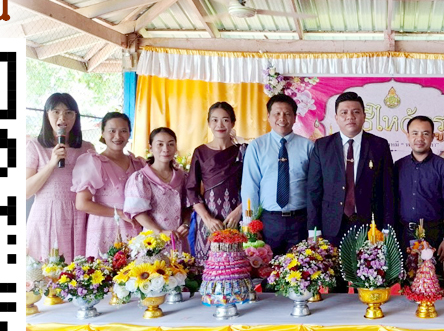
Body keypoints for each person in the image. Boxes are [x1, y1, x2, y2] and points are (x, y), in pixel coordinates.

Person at [305, 91, 396, 291]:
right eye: (344, 112)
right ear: (336, 117)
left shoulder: (379, 145)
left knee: (368, 281)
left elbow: (388, 190)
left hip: (369, 226)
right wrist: (314, 230)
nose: (350, 117)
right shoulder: (322, 146)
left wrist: (387, 228)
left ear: (364, 116)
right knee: (334, 282)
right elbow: (313, 191)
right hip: (332, 226)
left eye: (355, 112)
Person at [25, 93, 95, 260]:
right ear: (47, 115)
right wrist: (51, 163)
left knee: (77, 270)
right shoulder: (34, 146)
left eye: (68, 112)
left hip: (79, 216)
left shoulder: (87, 148)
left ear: (76, 117)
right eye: (56, 112)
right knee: (47, 270)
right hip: (46, 216)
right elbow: (25, 192)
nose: (62, 117)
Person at [241, 94, 314, 255]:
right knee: (267, 267)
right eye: (277, 113)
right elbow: (250, 187)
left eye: (287, 113)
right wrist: (250, 225)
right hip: (269, 222)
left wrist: (313, 227)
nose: (282, 118)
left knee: (300, 268)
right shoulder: (257, 146)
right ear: (268, 116)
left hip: (300, 221)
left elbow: (314, 187)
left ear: (295, 117)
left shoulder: (308, 146)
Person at [394, 116, 444, 282]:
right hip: (404, 234)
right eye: (415, 133)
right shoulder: (398, 166)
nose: (420, 138)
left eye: (425, 133)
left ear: (432, 137)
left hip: (434, 234)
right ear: (408, 136)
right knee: (405, 284)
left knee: (432, 283)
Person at [74, 112, 146, 256]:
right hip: (104, 229)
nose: (117, 136)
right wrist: (120, 213)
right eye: (112, 131)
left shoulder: (138, 164)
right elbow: (82, 204)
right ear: (103, 133)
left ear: (129, 133)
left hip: (134, 228)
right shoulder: (93, 162)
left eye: (123, 131)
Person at [188, 102, 248, 259]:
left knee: (236, 266)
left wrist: (239, 211)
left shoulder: (243, 151)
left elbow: (255, 185)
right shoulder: (200, 152)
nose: (219, 125)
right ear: (208, 123)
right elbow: (191, 190)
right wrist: (207, 219)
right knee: (208, 267)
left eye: (225, 120)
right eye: (214, 120)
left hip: (236, 219)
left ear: (233, 123)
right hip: (208, 221)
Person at [123, 127, 195, 248]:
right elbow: (138, 212)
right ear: (151, 148)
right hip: (152, 240)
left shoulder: (183, 177)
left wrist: (186, 224)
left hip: (178, 239)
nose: (166, 149)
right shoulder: (141, 178)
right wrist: (160, 231)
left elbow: (187, 207)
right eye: (160, 144)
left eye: (170, 144)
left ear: (175, 147)